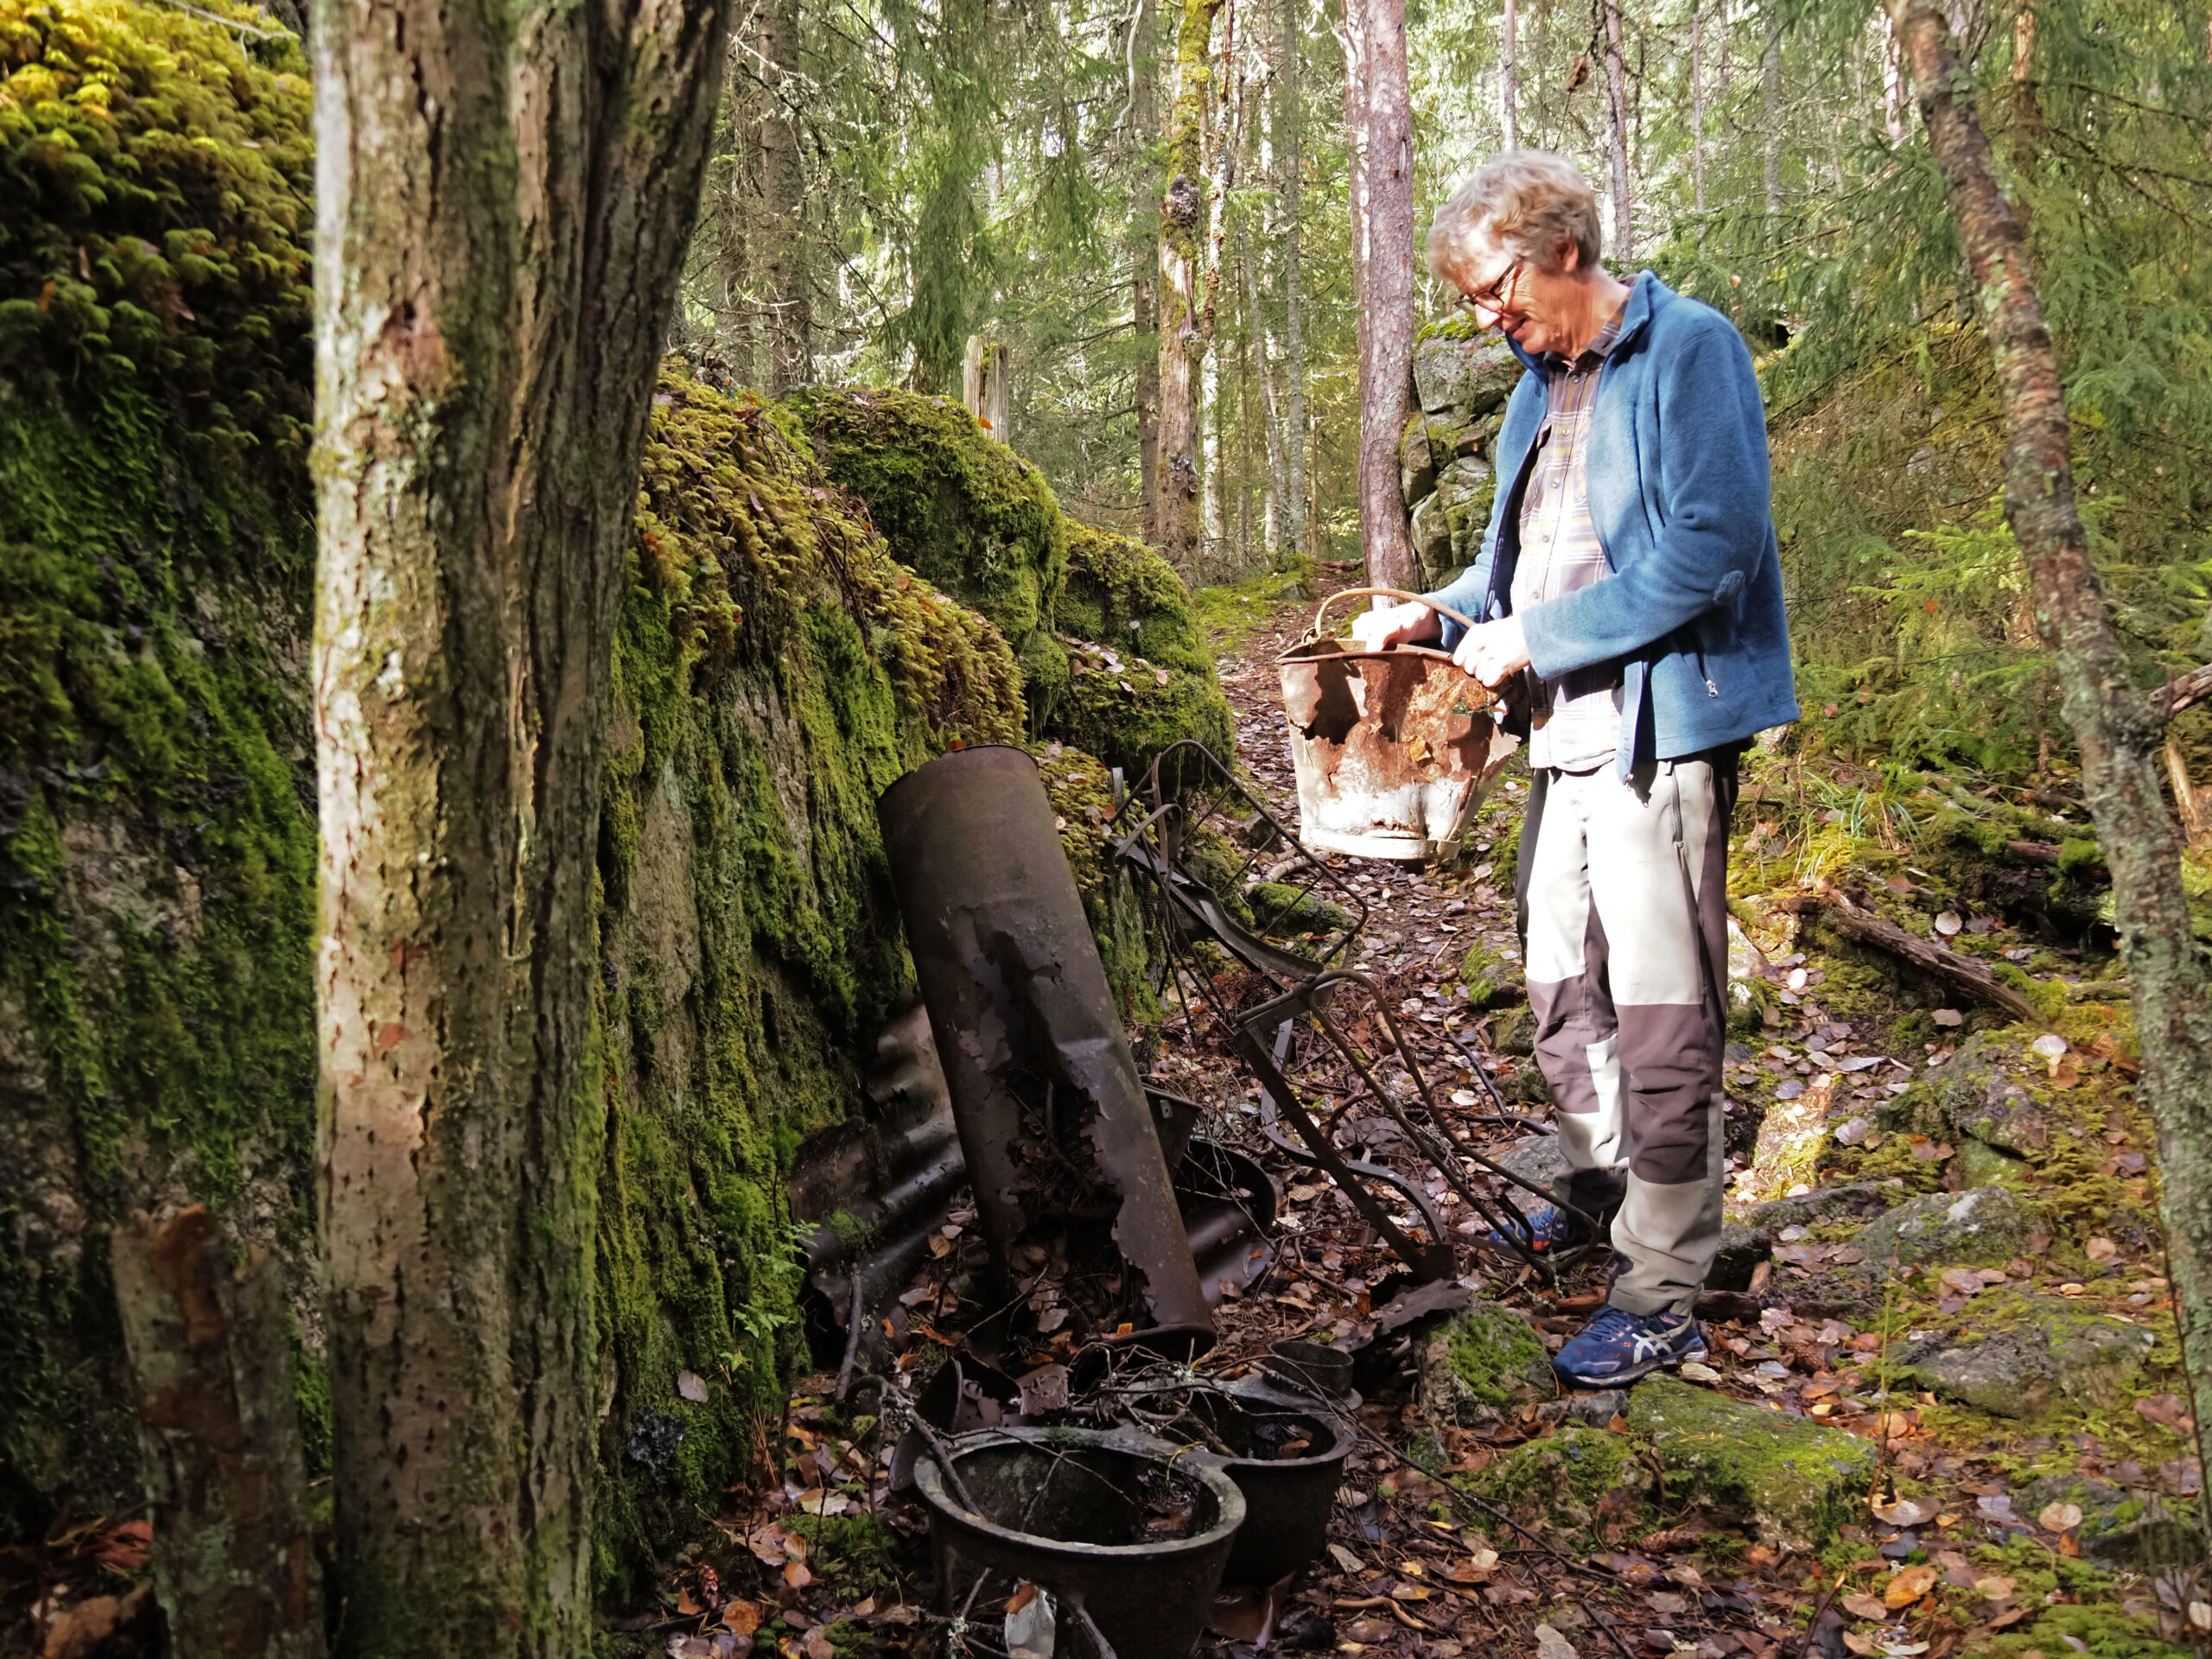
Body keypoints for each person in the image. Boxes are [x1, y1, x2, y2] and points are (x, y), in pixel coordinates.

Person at [1351, 150, 1797, 1388]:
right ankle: (1608, 1188)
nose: (1486, 317)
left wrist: (1532, 640)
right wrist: (1432, 616)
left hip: (1660, 736)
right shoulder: (1533, 393)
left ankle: (1666, 1281)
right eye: (1473, 302)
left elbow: (1713, 550)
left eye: (1495, 289)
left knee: (1662, 1013)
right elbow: (1515, 581)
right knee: (1559, 985)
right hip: (1563, 740)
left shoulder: (1688, 349)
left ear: (1562, 249)